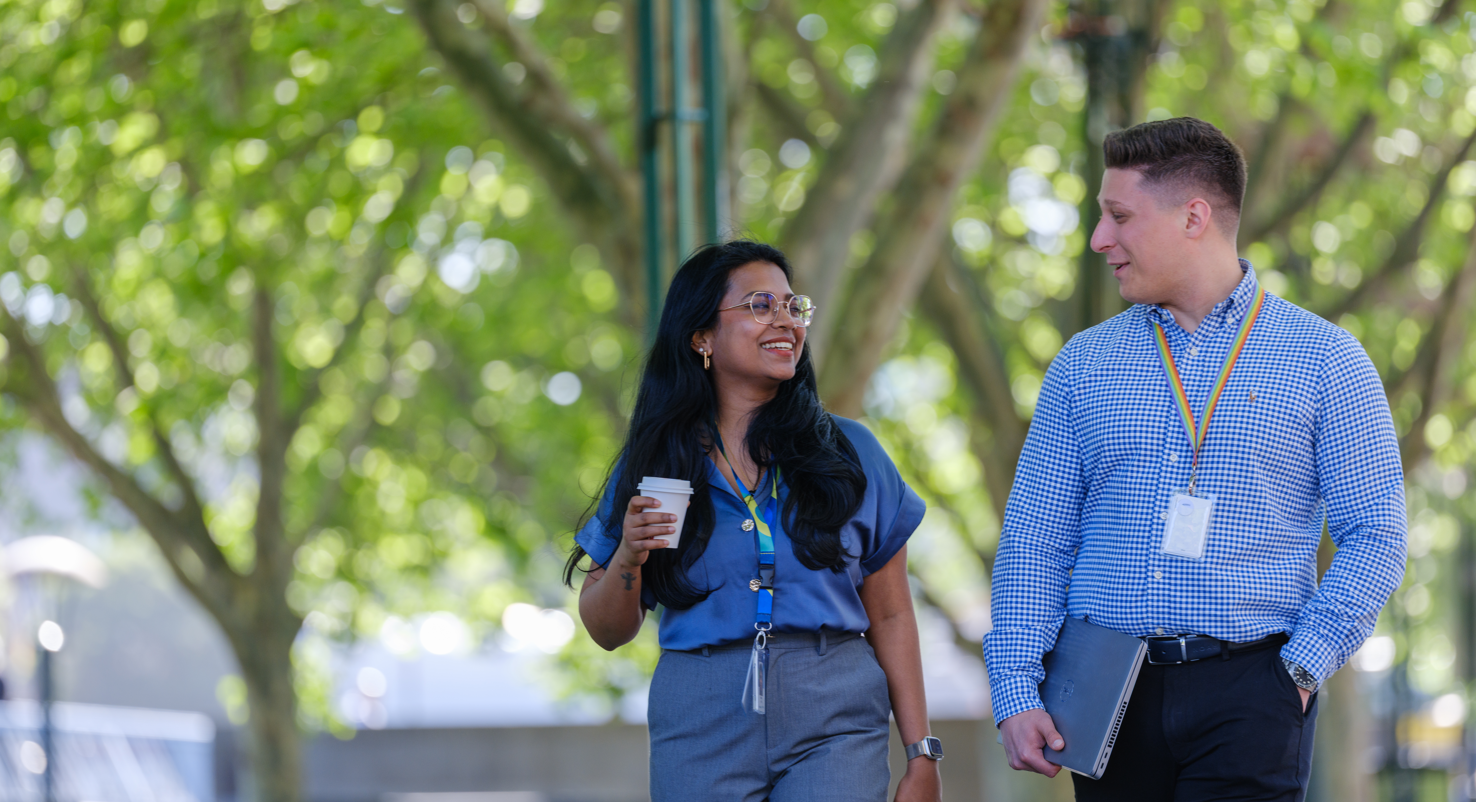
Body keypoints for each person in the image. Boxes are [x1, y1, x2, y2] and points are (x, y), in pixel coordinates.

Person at [985, 117, 1407, 801]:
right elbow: (1035, 538)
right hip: (1103, 699)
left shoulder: (1327, 361)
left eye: (1118, 216)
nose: (1099, 240)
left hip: (1254, 694)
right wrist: (1013, 686)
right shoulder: (1081, 367)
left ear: (1194, 217)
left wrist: (1300, 671)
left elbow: (1377, 537)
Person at [567, 240, 941, 802]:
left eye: (794, 307)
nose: (785, 321)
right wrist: (629, 556)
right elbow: (608, 631)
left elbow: (889, 614)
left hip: (834, 706)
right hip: (698, 712)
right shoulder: (653, 465)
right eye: (761, 305)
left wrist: (921, 754)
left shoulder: (851, 452)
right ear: (701, 337)